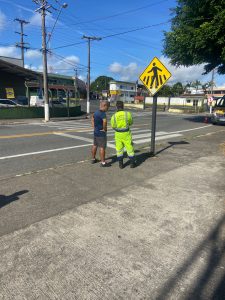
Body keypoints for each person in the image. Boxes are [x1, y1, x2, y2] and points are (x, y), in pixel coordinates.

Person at [111, 101, 135, 169]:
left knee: (119, 150)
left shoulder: (114, 116)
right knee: (129, 148)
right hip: (126, 133)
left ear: (116, 107)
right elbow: (131, 122)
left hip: (118, 134)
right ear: (123, 106)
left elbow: (113, 126)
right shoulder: (128, 114)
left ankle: (121, 164)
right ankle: (132, 163)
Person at [91, 100, 110, 167]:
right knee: (102, 147)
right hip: (101, 133)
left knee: (95, 145)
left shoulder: (95, 112)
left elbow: (92, 118)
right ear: (104, 106)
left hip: (96, 132)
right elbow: (105, 122)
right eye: (108, 107)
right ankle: (103, 162)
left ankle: (93, 159)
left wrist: (93, 126)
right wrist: (104, 129)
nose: (108, 109)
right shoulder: (103, 114)